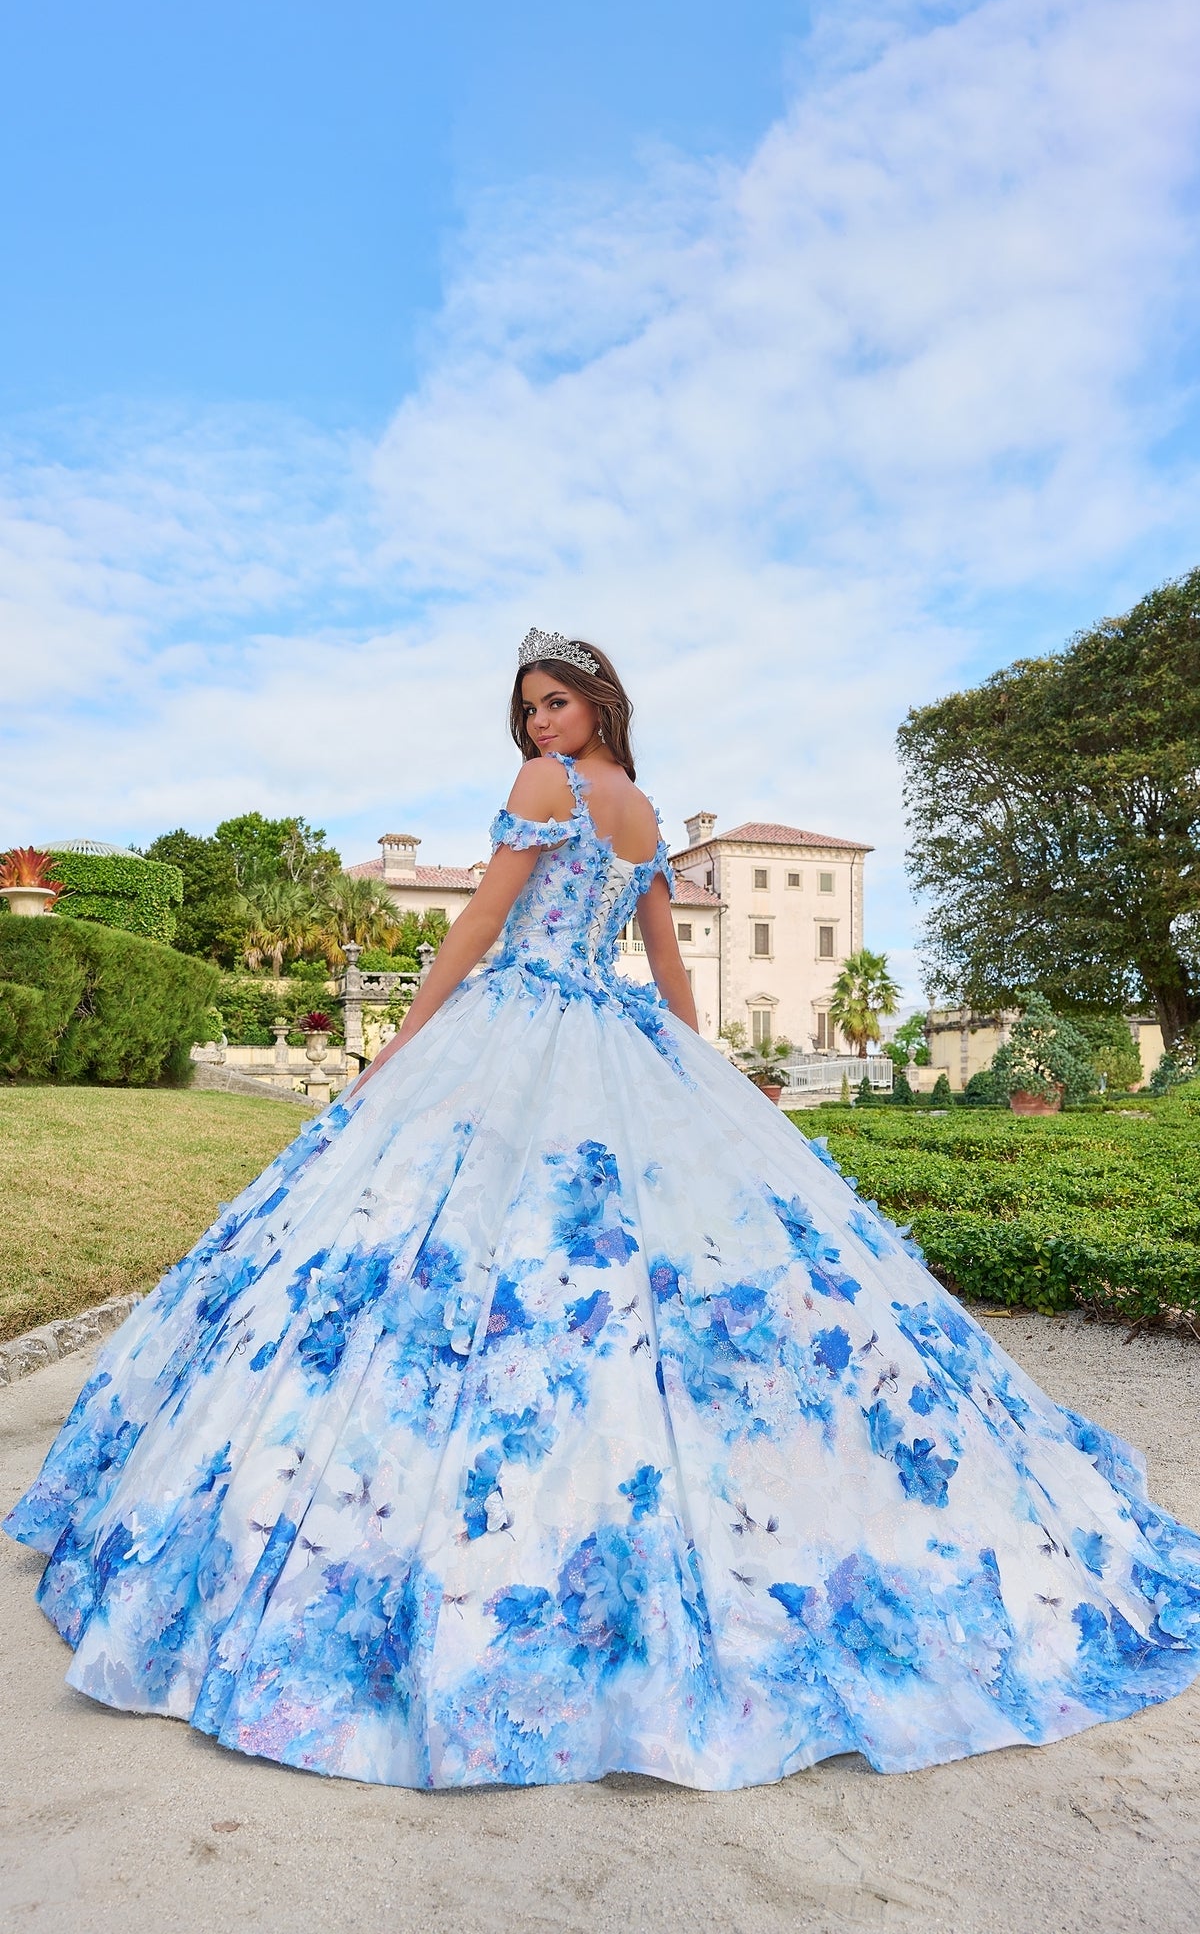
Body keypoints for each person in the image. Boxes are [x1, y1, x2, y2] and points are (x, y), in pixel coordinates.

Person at [7, 630, 1199, 1792]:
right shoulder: (639, 807)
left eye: (556, 702)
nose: (539, 722)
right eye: (529, 707)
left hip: (518, 1019)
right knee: (610, 1272)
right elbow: (667, 968)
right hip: (616, 1039)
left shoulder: (553, 788)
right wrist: (701, 1078)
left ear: (597, 705)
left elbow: (481, 924)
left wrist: (395, 1049)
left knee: (453, 1251)